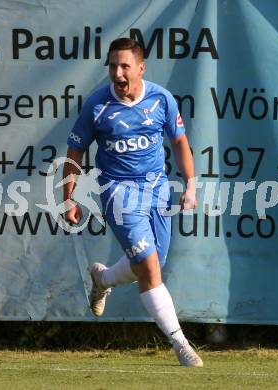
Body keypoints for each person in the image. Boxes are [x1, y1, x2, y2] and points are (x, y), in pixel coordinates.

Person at [64, 38, 203, 367]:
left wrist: (191, 186)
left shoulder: (161, 99)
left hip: (156, 190)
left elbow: (179, 141)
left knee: (149, 265)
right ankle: (181, 345)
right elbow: (75, 152)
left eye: (124, 65)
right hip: (117, 192)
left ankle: (104, 279)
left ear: (140, 68)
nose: (117, 72)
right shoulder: (97, 106)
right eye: (112, 66)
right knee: (150, 268)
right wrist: (67, 199)